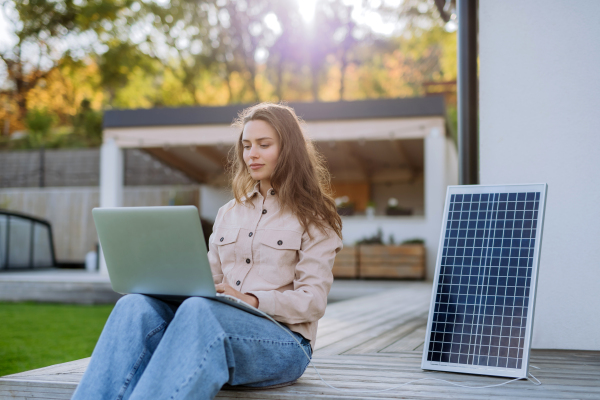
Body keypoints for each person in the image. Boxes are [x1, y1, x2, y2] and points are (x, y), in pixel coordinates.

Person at [71, 102, 343, 400]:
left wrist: (251, 300)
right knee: (133, 305)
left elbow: (312, 301)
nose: (251, 154)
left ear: (289, 149)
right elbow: (207, 280)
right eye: (246, 145)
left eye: (264, 145)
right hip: (211, 322)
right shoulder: (228, 213)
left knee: (201, 312)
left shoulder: (316, 216)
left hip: (284, 343)